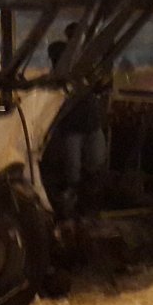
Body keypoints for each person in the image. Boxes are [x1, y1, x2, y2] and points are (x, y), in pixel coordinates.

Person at [46, 23, 108, 215]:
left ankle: (84, 203)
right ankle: (78, 206)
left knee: (90, 164)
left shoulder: (79, 73)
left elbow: (97, 87)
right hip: (78, 126)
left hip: (87, 124)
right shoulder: (58, 79)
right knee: (78, 169)